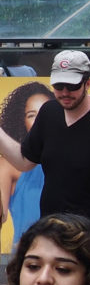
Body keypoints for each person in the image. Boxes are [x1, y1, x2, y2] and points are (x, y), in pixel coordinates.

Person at [0, 50, 90, 241]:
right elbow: (25, 161)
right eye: (59, 86)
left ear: (88, 83)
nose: (65, 92)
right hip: (51, 232)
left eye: (72, 86)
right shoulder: (49, 112)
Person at [0, 82, 52, 247]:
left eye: (45, 112)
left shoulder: (70, 155)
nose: (39, 121)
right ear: (22, 121)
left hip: (66, 251)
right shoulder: (9, 164)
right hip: (26, 256)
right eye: (31, 115)